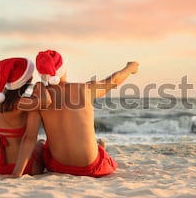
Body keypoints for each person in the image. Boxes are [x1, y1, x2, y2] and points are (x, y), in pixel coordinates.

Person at [10, 49, 139, 178]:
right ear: (63, 70)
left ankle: (98, 146)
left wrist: (17, 174)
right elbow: (114, 80)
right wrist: (130, 67)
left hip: (59, 166)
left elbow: (29, 138)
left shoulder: (38, 98)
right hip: (90, 166)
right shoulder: (86, 89)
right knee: (98, 150)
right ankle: (100, 147)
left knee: (43, 144)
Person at [0, 57, 46, 176]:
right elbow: (46, 101)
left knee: (37, 142)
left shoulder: (3, 101)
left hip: (0, 166)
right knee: (41, 143)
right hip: (22, 168)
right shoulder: (22, 104)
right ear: (28, 79)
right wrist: (40, 87)